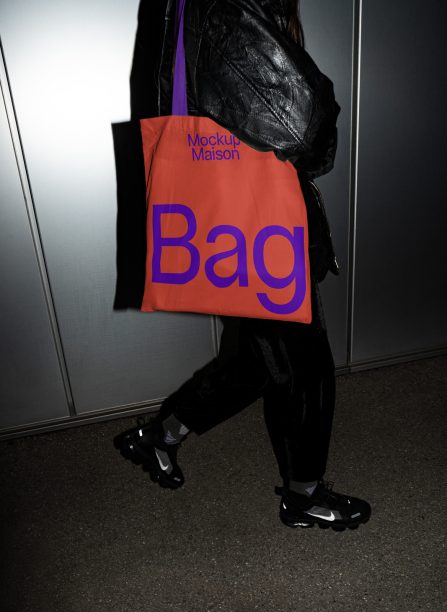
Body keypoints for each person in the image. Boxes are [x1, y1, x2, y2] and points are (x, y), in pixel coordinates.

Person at [115, 0, 371, 531]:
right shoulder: (228, 5)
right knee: (303, 363)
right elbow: (304, 127)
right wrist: (320, 142)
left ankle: (159, 436)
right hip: (254, 225)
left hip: (226, 221)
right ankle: (303, 496)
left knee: (262, 359)